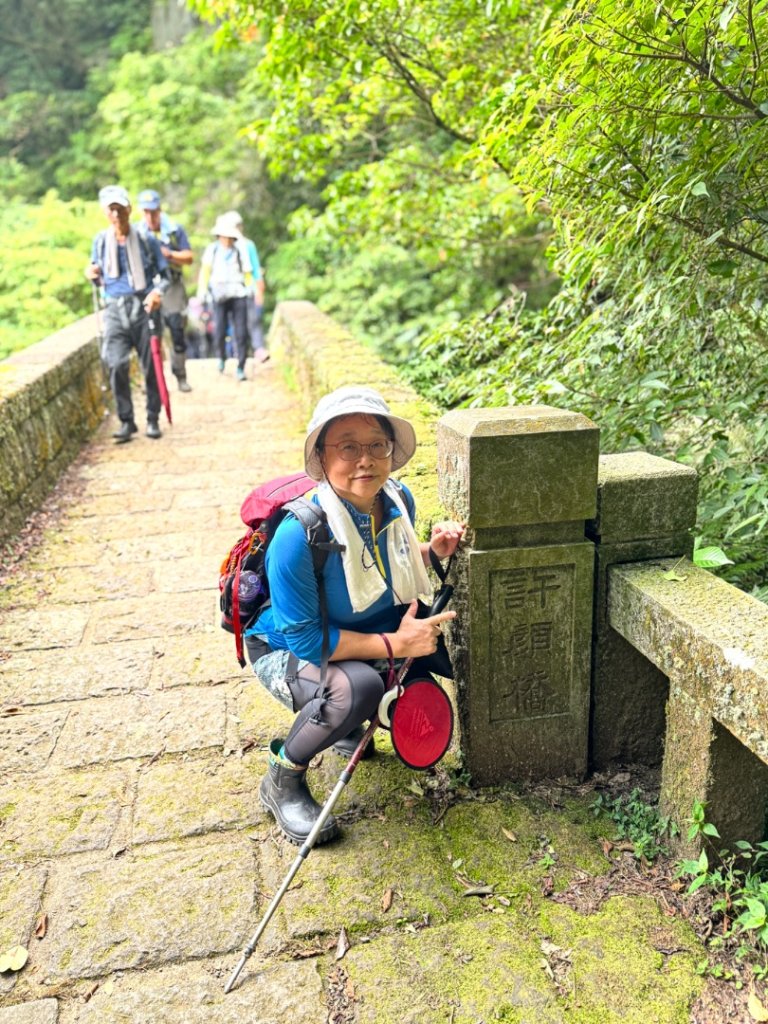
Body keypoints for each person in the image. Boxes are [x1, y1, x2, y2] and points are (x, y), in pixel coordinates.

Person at [244, 386, 465, 845]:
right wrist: (395, 646)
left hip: (359, 630)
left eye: (376, 444)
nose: (364, 459)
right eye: (347, 446)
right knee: (354, 690)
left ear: (390, 450)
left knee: (428, 659)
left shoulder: (397, 499)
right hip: (285, 646)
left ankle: (350, 726)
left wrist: (432, 551)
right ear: (322, 457)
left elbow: (386, 567)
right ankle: (282, 778)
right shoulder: (298, 536)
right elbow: (307, 640)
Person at [85, 185, 170, 442]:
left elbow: (164, 277)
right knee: (116, 363)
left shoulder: (147, 240)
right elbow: (95, 270)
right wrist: (90, 273)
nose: (116, 214)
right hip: (113, 307)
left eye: (120, 208)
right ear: (105, 212)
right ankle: (126, 420)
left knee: (150, 366)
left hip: (142, 306)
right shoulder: (100, 241)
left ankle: (153, 418)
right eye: (111, 209)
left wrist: (157, 293)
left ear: (129, 210)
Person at [135, 189, 195, 393]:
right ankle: (150, 379)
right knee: (149, 333)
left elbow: (189, 257)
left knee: (176, 328)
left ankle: (180, 375)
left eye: (153, 211)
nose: (150, 216)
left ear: (159, 210)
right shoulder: (137, 232)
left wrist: (168, 255)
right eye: (146, 212)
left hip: (173, 284)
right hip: (149, 286)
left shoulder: (174, 230)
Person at [196, 212, 253, 381]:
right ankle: (221, 357)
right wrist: (202, 290)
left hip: (238, 294)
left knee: (241, 331)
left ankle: (241, 365)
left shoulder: (240, 250)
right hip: (218, 295)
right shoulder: (212, 250)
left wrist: (249, 287)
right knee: (219, 329)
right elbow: (205, 271)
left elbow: (247, 272)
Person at [225, 210, 269, 364]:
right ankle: (236, 352)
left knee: (254, 320)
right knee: (235, 324)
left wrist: (259, 290)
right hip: (230, 292)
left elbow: (256, 269)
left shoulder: (248, 245)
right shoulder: (223, 248)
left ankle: (258, 348)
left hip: (248, 289)